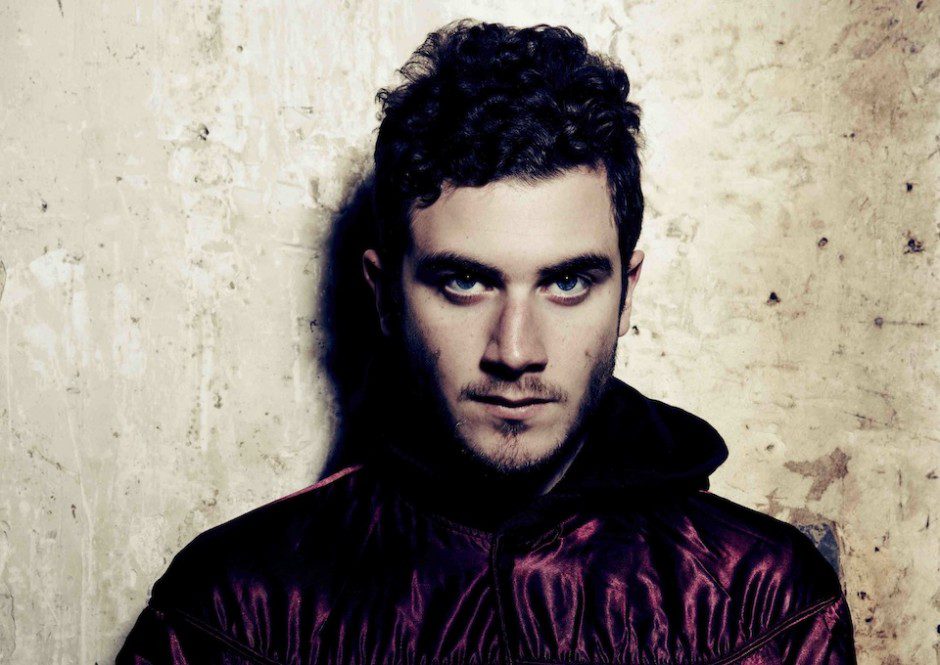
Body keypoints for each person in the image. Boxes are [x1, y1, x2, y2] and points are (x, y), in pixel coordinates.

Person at [117, 20, 857, 664]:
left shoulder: (763, 606)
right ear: (383, 295)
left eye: (567, 282)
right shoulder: (236, 611)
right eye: (465, 282)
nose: (515, 351)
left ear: (627, 292)